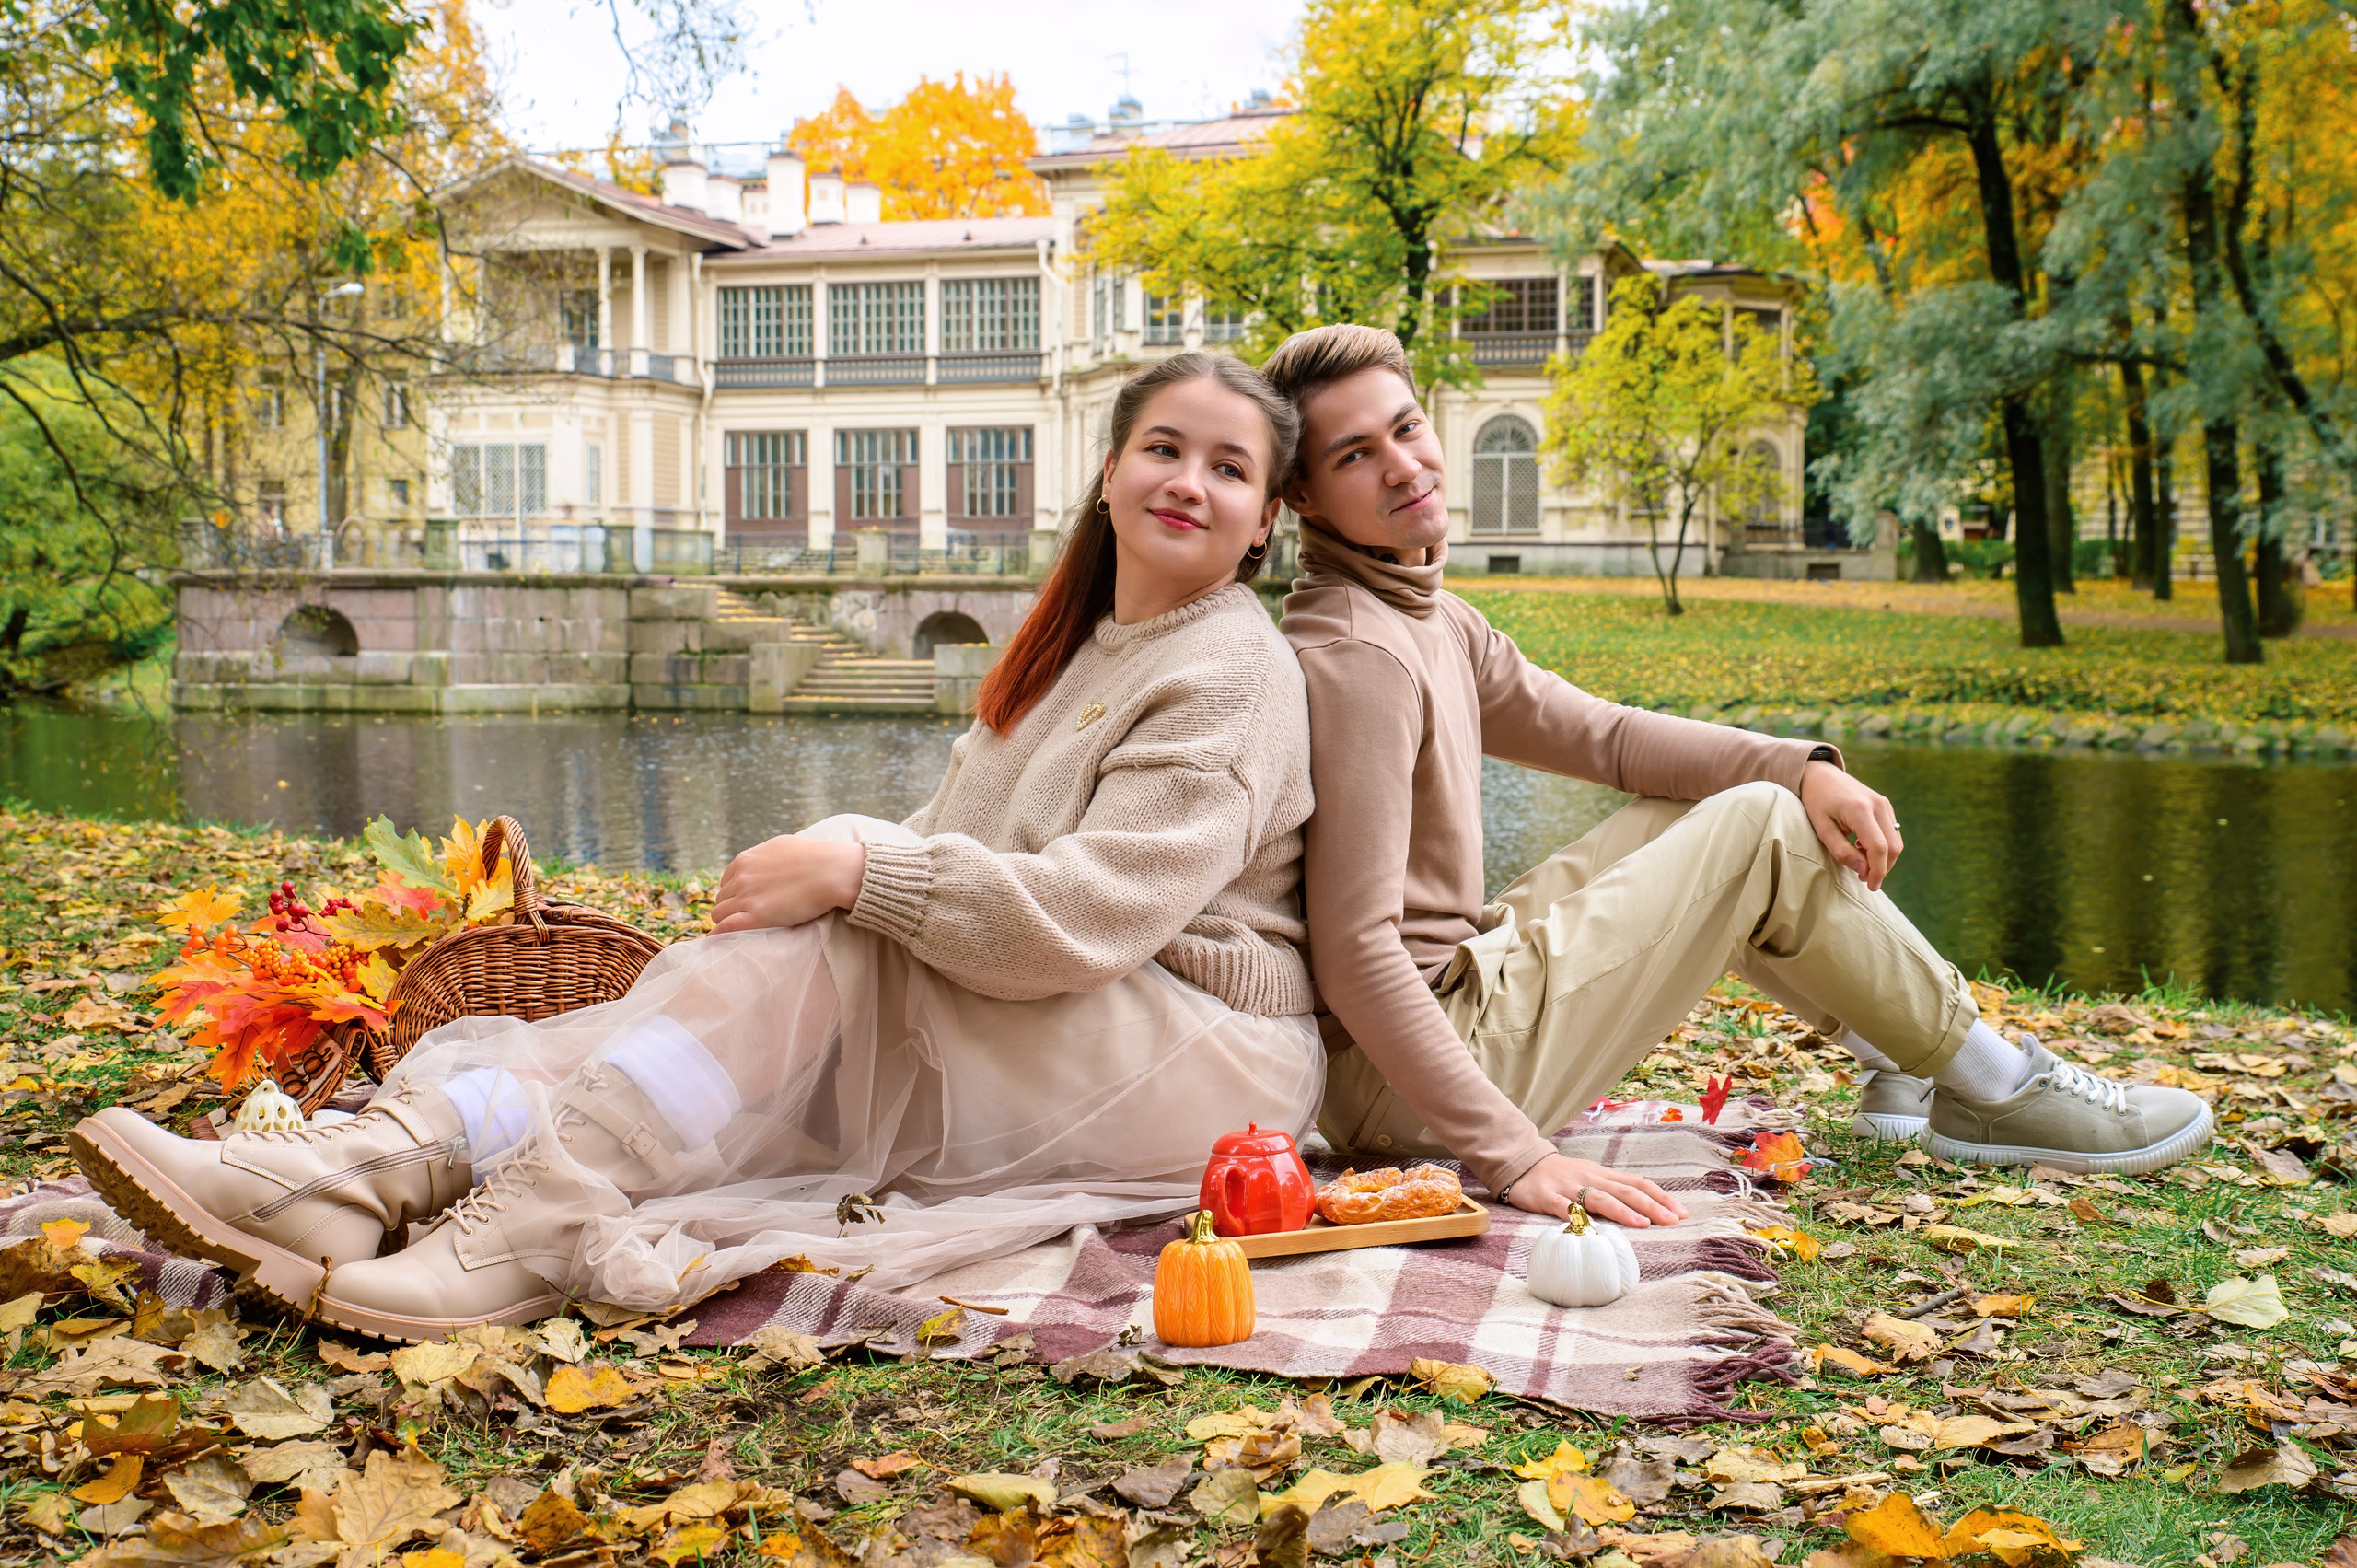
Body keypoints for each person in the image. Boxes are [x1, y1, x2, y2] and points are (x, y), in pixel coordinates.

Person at [70, 352, 1322, 1342]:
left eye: (1227, 467)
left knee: (836, 932)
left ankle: (530, 1229)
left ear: (1263, 519)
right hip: (1059, 1016)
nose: (1187, 481)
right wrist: (857, 858)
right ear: (1107, 473)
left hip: (1198, 1057)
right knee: (732, 1014)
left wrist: (856, 866)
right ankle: (369, 1165)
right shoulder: (1077, 647)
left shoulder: (1231, 666)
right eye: (1163, 447)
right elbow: (963, 852)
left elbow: (1092, 914)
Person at [1260, 324, 2212, 1229]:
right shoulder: (1358, 653)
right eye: (1354, 455)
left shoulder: (1426, 615)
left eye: (1408, 427)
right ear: (1303, 497)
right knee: (1756, 825)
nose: (1403, 464)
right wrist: (1514, 1156)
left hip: (1448, 1021)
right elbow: (1353, 952)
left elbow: (1608, 738)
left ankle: (1903, 1060)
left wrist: (1802, 764)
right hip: (1413, 1088)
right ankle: (1999, 1090)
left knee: (1734, 798)